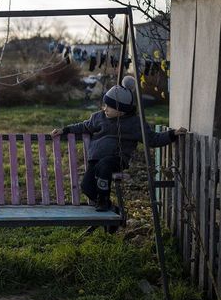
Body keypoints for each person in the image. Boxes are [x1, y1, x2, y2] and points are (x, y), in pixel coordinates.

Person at [51, 76, 187, 212]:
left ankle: (103, 201)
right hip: (95, 159)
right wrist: (65, 130)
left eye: (109, 106)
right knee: (87, 187)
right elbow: (84, 127)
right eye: (104, 105)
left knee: (104, 167)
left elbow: (152, 139)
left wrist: (172, 134)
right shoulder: (99, 117)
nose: (105, 109)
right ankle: (112, 208)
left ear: (122, 110)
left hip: (116, 158)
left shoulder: (134, 124)